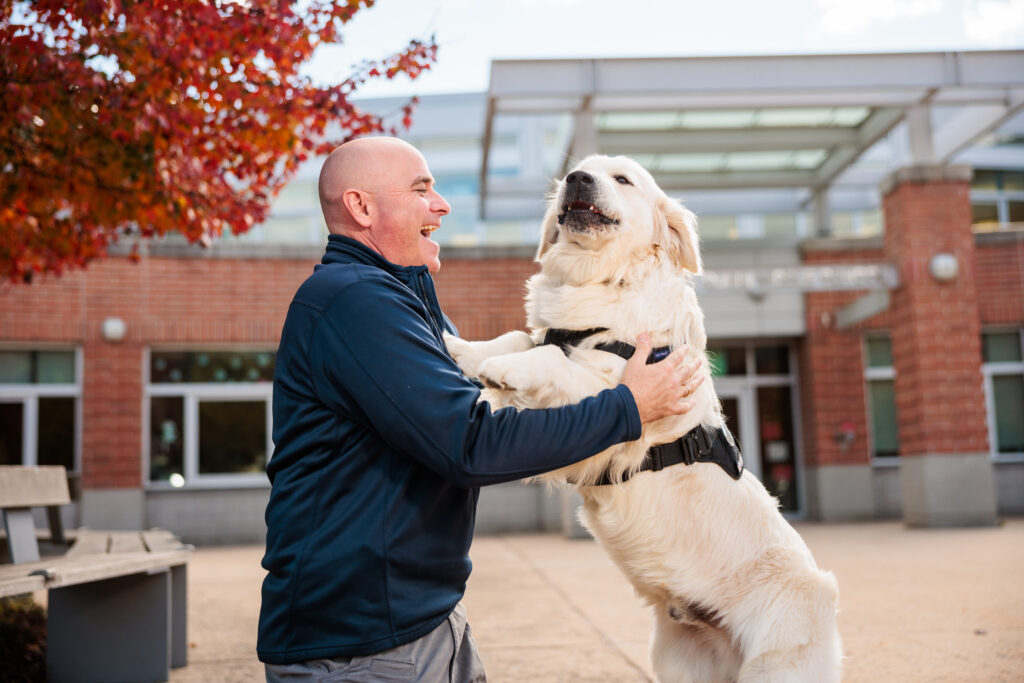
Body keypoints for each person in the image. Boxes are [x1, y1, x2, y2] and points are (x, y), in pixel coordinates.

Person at [258, 137, 703, 682]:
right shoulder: (354, 302)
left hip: (424, 622)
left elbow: (484, 405)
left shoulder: (403, 299)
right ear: (362, 208)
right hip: (361, 646)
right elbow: (472, 444)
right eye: (422, 191)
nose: (442, 205)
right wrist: (628, 407)